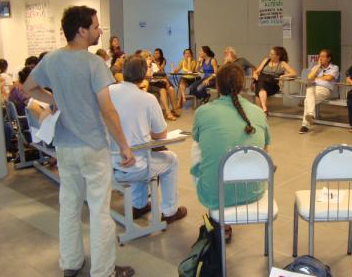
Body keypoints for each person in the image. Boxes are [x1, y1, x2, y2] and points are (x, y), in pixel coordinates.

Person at [22, 5, 135, 277]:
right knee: (99, 211)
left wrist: (54, 99)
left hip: (65, 146)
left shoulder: (51, 59)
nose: (100, 31)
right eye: (96, 26)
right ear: (82, 31)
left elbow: (27, 87)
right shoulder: (94, 63)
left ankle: (70, 263)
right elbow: (107, 110)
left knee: (69, 207)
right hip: (93, 147)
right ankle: (103, 270)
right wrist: (123, 145)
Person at [191, 63, 271, 239]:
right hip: (253, 191)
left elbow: (198, 140)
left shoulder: (203, 111)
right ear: (242, 86)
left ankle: (220, 222)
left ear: (217, 86)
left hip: (216, 192)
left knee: (197, 147)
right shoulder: (258, 112)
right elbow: (265, 151)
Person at [109, 55, 187, 222]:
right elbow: (161, 134)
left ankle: (139, 204)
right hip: (135, 166)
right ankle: (170, 211)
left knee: (142, 151)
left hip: (109, 164)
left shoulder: (108, 91)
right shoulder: (148, 99)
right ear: (145, 74)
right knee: (170, 160)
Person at [299, 49, 339, 134]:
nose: (320, 58)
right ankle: (310, 116)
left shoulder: (334, 67)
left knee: (307, 100)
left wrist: (316, 78)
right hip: (313, 88)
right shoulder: (315, 67)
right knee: (309, 89)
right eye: (319, 56)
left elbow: (329, 78)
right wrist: (318, 67)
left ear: (329, 58)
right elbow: (309, 77)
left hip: (325, 89)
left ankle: (305, 125)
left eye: (323, 56)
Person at [252, 46, 297, 115]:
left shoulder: (282, 63)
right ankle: (264, 109)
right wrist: (255, 74)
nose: (270, 55)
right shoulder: (266, 60)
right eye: (270, 53)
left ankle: (260, 111)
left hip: (272, 84)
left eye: (272, 54)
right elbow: (257, 71)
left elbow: (294, 73)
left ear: (278, 56)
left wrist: (283, 76)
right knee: (261, 86)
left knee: (259, 85)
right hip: (262, 82)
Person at [147, 49, 179, 120]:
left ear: (160, 54)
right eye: (153, 54)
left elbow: (160, 72)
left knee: (171, 89)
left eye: (157, 53)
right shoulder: (146, 65)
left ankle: (174, 109)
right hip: (153, 82)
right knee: (163, 89)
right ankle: (168, 112)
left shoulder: (158, 62)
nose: (154, 55)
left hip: (160, 80)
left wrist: (165, 80)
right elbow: (149, 76)